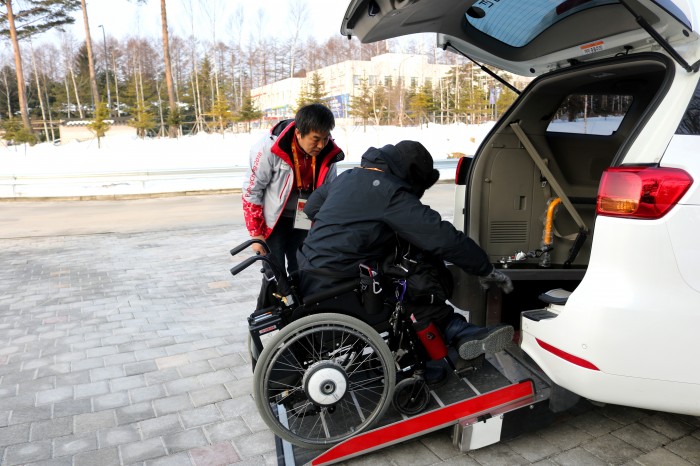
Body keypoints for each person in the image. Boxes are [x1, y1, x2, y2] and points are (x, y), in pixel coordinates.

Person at [296, 140, 514, 361]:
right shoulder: (389, 193)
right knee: (411, 272)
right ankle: (452, 329)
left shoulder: (347, 176)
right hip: (342, 285)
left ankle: (451, 331)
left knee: (396, 260)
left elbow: (310, 208)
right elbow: (442, 237)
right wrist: (484, 268)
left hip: (309, 274)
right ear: (411, 176)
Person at [242, 104, 344, 307]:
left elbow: (330, 194)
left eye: (326, 138)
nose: (321, 145)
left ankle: (301, 316)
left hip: (304, 215)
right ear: (298, 133)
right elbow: (252, 191)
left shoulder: (328, 152)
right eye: (316, 139)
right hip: (275, 220)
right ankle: (273, 319)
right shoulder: (269, 148)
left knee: (304, 268)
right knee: (275, 273)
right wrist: (256, 233)